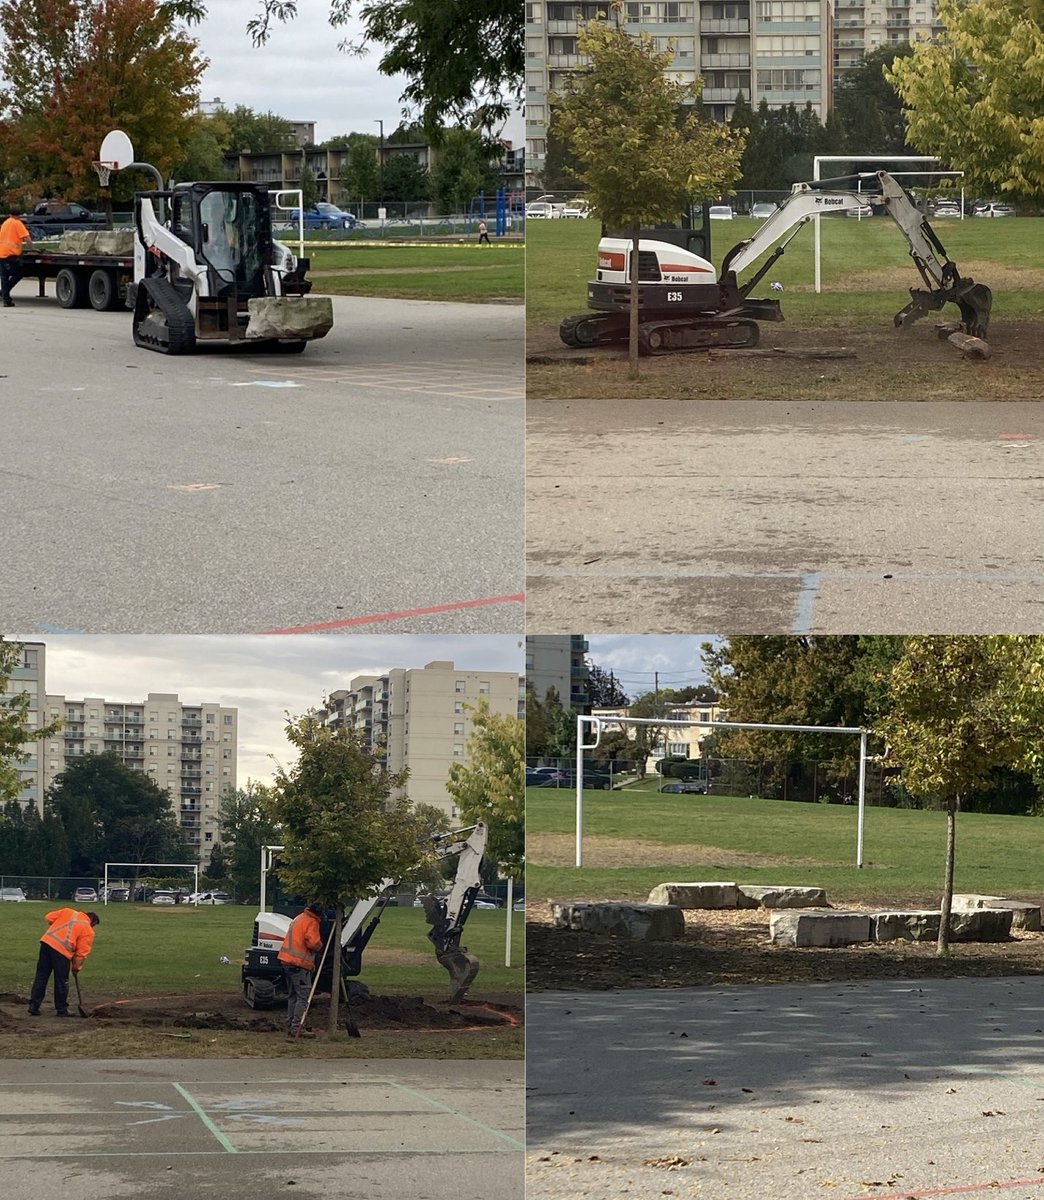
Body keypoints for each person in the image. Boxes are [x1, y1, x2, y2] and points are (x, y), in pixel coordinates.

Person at [29, 908, 99, 1016]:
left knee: (41, 976)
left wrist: (57, 926)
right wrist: (76, 968)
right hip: (62, 952)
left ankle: (34, 1006)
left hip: (46, 943)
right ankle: (61, 1009)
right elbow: (81, 953)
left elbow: (49, 917)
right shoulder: (87, 930)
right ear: (92, 921)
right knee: (62, 980)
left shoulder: (68, 912)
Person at [277, 903, 325, 1040]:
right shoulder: (312, 922)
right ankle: (297, 1027)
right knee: (303, 997)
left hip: (286, 961)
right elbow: (313, 943)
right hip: (299, 964)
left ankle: (291, 1023)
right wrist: (321, 945)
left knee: (293, 995)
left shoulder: (300, 917)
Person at [0, 207, 32, 307]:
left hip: (2, 253)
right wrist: (32, 248)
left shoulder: (5, 223)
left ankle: (6, 299)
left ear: (10, 214)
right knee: (18, 274)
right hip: (11, 254)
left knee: (4, 277)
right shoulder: (17, 223)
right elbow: (26, 237)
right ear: (19, 215)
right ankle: (5, 294)